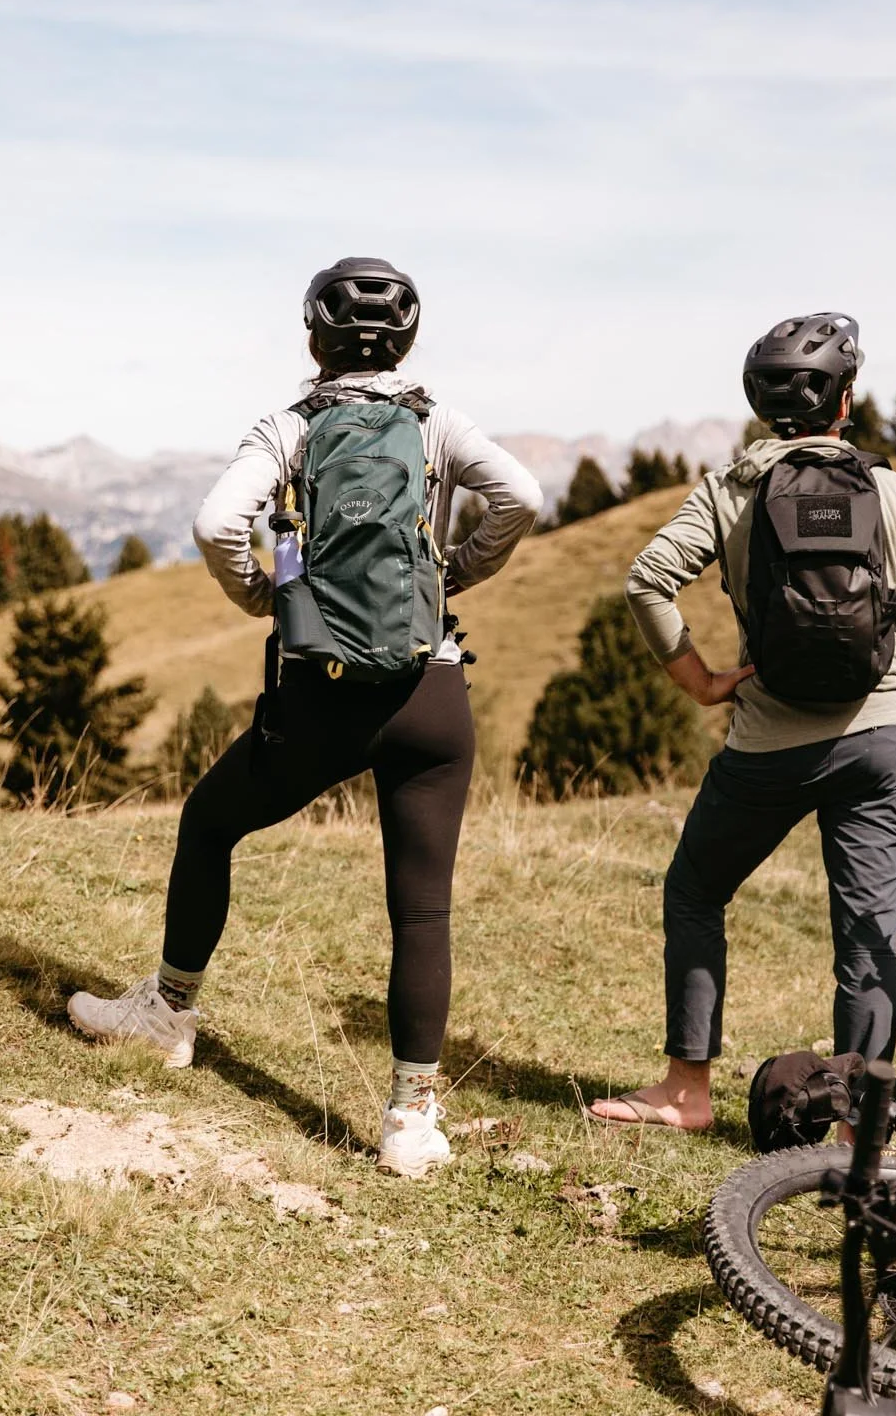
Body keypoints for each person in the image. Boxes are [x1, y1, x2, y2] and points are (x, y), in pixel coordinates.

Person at [68, 257, 542, 1180]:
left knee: (209, 823)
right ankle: (410, 1113)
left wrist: (261, 598)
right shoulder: (437, 420)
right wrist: (453, 575)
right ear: (406, 337)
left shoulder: (291, 425)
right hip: (430, 690)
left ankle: (169, 1013)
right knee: (421, 909)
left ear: (313, 337)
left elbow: (216, 522)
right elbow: (520, 496)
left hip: (322, 693)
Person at [590, 312, 896, 1133]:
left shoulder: (731, 491)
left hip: (767, 745)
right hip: (878, 745)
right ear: (845, 399)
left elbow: (645, 582)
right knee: (868, 933)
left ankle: (685, 1092)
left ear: (760, 402)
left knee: (696, 890)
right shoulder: (890, 491)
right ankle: (854, 1122)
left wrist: (699, 681)